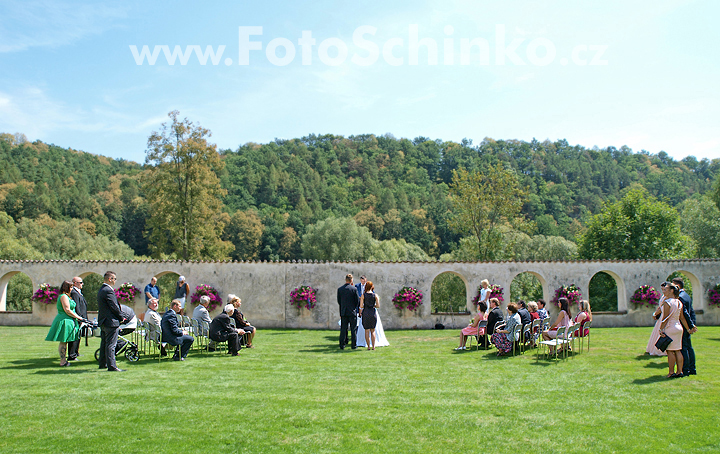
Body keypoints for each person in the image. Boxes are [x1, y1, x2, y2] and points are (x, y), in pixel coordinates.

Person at [45, 280, 84, 366]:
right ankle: (62, 361)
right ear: (66, 287)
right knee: (63, 341)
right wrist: (78, 317)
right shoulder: (63, 297)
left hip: (69, 320)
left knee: (65, 341)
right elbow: (67, 310)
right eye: (70, 287)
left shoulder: (67, 296)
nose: (72, 289)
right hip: (64, 320)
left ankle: (64, 360)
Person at [658, 282, 691, 378]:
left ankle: (671, 372)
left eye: (666, 289)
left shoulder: (667, 302)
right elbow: (682, 318)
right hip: (679, 327)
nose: (664, 291)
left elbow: (665, 318)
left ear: (671, 290)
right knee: (678, 350)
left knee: (670, 351)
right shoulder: (678, 302)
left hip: (670, 327)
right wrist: (688, 328)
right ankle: (679, 371)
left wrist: (661, 329)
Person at [97, 271, 125, 372]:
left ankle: (103, 363)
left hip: (104, 321)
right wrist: (121, 317)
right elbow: (114, 306)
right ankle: (112, 366)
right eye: (114, 279)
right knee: (111, 344)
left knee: (104, 343)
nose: (115, 281)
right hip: (111, 321)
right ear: (110, 279)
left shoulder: (101, 290)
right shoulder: (108, 290)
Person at [673, 277, 698, 376]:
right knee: (689, 348)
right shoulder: (686, 295)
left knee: (684, 348)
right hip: (687, 325)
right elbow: (692, 312)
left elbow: (685, 314)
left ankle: (686, 369)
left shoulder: (681, 297)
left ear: (677, 286)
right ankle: (692, 368)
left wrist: (689, 327)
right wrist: (692, 324)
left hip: (683, 325)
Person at [67, 276, 88, 361]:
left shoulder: (78, 292)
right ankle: (72, 355)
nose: (82, 284)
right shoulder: (74, 293)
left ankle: (76, 352)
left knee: (78, 336)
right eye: (80, 282)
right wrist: (80, 318)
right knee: (75, 336)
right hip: (78, 318)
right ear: (75, 283)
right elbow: (76, 307)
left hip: (81, 317)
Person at [337, 274, 360, 350]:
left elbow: (339, 301)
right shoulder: (354, 289)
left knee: (343, 329)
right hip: (352, 312)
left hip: (344, 311)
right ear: (351, 280)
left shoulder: (340, 289)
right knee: (353, 329)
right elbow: (357, 301)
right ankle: (353, 345)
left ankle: (342, 345)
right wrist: (353, 307)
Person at [646, 282, 668, 356]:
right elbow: (660, 306)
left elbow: (662, 308)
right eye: (662, 289)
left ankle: (661, 350)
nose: (663, 291)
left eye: (664, 289)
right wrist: (656, 313)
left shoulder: (667, 297)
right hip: (660, 316)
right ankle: (652, 347)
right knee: (656, 332)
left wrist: (655, 314)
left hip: (664, 315)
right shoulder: (663, 296)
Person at [359, 281, 379, 350]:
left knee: (367, 330)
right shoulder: (375, 295)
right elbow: (378, 306)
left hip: (366, 313)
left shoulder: (363, 295)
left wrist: (365, 306)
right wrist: (373, 305)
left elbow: (361, 306)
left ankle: (368, 346)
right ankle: (373, 346)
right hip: (372, 312)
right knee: (373, 330)